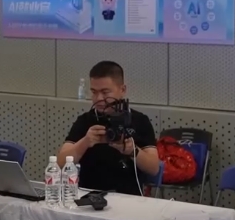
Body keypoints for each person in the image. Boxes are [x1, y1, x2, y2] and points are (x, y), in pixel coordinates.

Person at [57, 61, 160, 195]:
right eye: (94, 92)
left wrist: (132, 151)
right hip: (89, 194)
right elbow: (59, 164)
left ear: (122, 90)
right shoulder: (85, 121)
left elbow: (153, 168)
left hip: (128, 196)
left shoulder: (139, 121)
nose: (99, 98)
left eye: (105, 92)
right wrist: (85, 142)